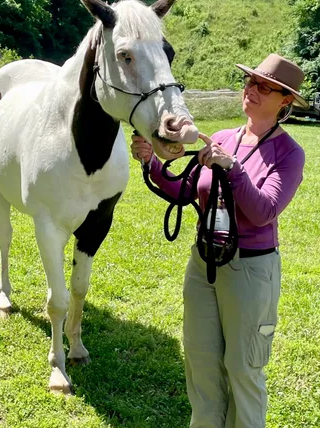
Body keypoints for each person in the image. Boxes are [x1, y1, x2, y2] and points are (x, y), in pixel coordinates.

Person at [131, 54, 308, 428]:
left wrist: (232, 167)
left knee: (243, 369)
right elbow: (185, 191)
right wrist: (152, 164)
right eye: (249, 82)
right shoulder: (225, 137)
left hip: (251, 269)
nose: (251, 89)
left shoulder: (289, 154)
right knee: (202, 363)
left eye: (264, 86)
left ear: (285, 100)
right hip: (204, 264)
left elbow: (264, 211)